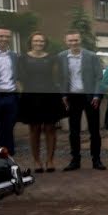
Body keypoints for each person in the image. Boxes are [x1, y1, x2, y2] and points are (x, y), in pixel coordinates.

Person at [17, 32, 65, 172]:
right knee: (34, 129)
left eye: (41, 41)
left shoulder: (52, 58)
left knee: (50, 128)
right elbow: (19, 78)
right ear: (31, 42)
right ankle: (36, 161)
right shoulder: (23, 58)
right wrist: (22, 94)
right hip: (31, 97)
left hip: (49, 97)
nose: (39, 43)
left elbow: (58, 77)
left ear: (45, 43)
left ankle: (50, 160)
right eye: (36, 41)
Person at [57, 31, 106, 170]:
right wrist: (63, 95)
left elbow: (99, 77)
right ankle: (75, 160)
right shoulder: (61, 57)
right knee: (73, 131)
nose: (74, 43)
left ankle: (96, 160)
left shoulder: (91, 56)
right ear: (66, 41)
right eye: (70, 41)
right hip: (73, 98)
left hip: (90, 97)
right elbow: (60, 78)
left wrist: (97, 95)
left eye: (76, 40)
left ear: (80, 40)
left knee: (94, 130)